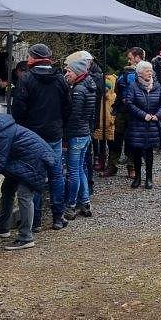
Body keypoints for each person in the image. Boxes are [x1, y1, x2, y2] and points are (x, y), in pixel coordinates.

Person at [0, 109, 62, 250]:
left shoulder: (1, 134)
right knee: (7, 190)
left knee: (25, 196)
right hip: (19, 162)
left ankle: (26, 237)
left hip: (32, 162)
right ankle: (2, 228)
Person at [11, 43, 70, 231]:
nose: (27, 60)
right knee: (56, 175)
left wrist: (21, 128)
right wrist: (60, 124)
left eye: (29, 56)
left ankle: (35, 221)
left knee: (35, 177)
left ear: (34, 58)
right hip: (54, 133)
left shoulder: (26, 79)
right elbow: (68, 106)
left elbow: (18, 109)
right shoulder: (60, 78)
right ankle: (58, 217)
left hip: (32, 135)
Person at [62, 52, 97, 221]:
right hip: (85, 134)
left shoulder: (78, 90)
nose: (66, 74)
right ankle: (85, 201)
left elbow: (73, 116)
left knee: (73, 172)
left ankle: (70, 205)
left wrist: (66, 137)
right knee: (82, 169)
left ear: (76, 71)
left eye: (68, 71)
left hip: (76, 135)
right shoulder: (90, 85)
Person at [124, 60, 161, 189]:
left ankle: (149, 178)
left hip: (152, 124)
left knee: (149, 153)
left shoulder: (157, 86)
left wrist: (157, 115)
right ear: (140, 73)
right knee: (137, 152)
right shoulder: (133, 86)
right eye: (147, 71)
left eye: (150, 71)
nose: (150, 73)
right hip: (138, 124)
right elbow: (129, 103)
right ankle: (137, 177)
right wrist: (143, 115)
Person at [107, 47, 144, 178]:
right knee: (116, 138)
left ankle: (131, 167)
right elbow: (117, 89)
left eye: (130, 58)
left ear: (138, 57)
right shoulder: (124, 72)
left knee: (132, 140)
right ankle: (112, 165)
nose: (128, 61)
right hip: (122, 111)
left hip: (135, 112)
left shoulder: (145, 72)